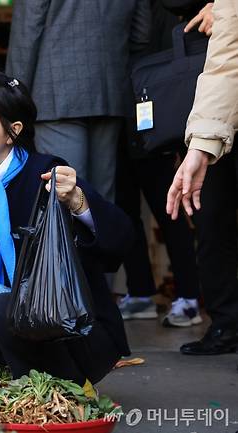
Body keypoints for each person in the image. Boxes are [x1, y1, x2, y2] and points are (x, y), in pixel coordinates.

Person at [0, 71, 133, 385]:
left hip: (78, 332)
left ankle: (53, 386)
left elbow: (120, 239)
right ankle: (23, 377)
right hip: (19, 321)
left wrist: (79, 202)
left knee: (0, 309)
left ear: (13, 131)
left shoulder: (48, 174)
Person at [117, 0, 211, 327]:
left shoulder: (153, 9)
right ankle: (149, 292)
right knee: (141, 212)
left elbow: (141, 36)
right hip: (131, 115)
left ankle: (184, 296)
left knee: (168, 210)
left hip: (147, 116)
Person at [6, 0, 151, 202]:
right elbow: (141, 34)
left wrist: (14, 93)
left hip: (54, 90)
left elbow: (27, 33)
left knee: (64, 193)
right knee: (102, 196)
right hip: (109, 89)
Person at [166, 0, 238, 355]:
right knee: (210, 218)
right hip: (220, 113)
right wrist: (201, 145)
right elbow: (227, 61)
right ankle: (225, 324)